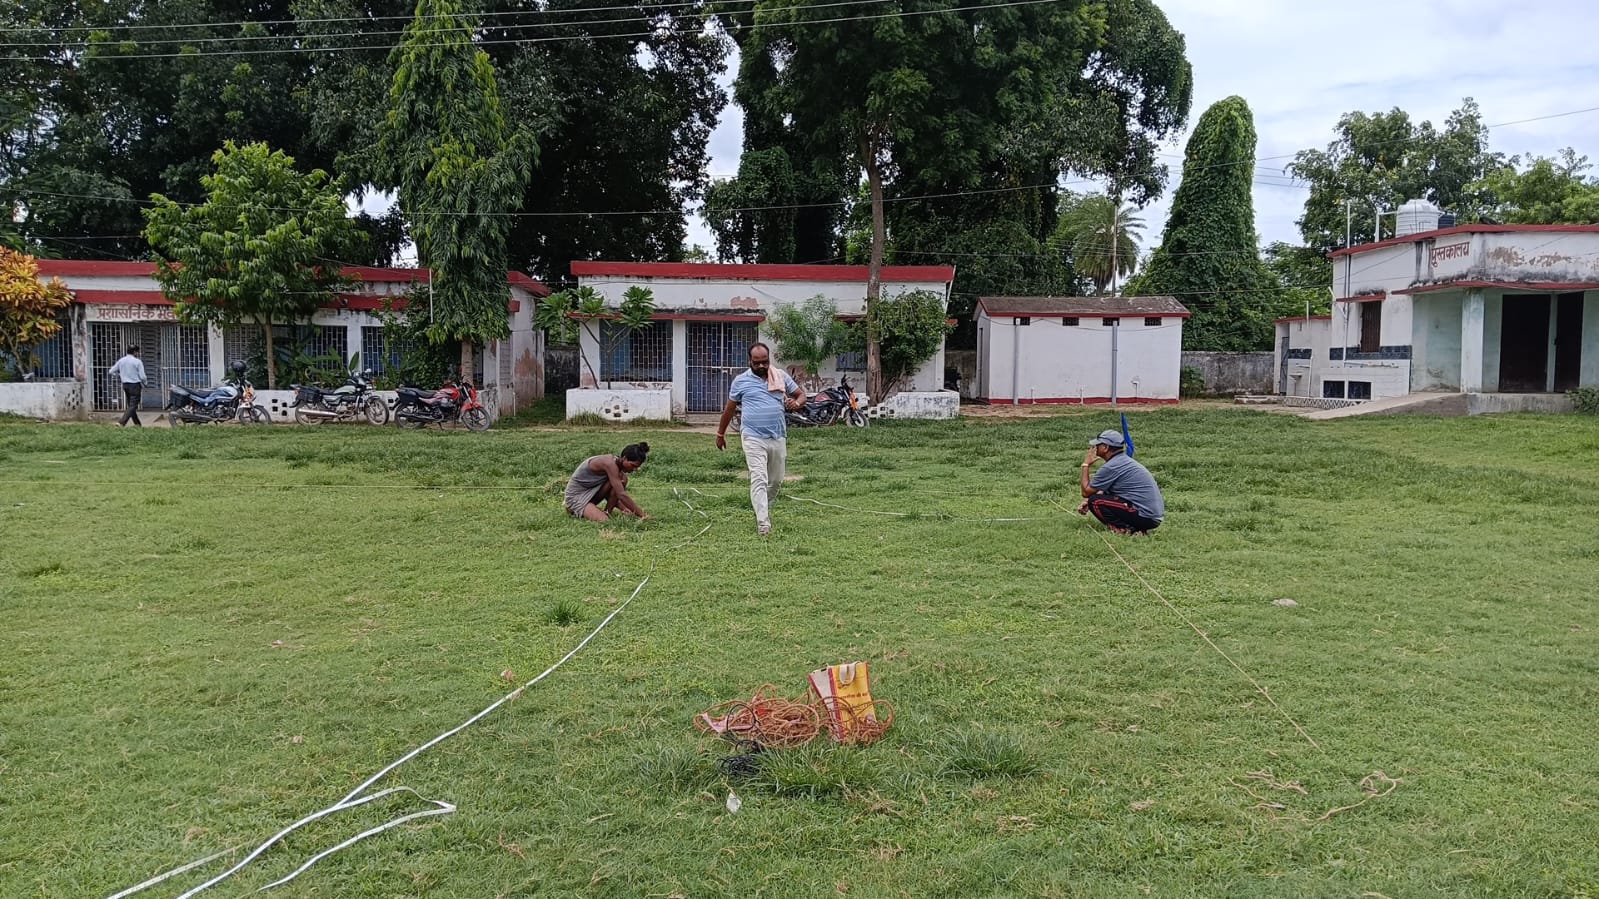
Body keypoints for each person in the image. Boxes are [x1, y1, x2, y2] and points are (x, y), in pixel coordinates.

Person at [716, 342, 806, 536]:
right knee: (759, 478)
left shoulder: (780, 376)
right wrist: (720, 434)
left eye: (764, 362)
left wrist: (795, 403)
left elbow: (801, 395)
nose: (761, 366)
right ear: (749, 361)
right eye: (757, 363)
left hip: (777, 435)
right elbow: (729, 409)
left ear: (769, 359)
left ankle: (763, 505)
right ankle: (763, 523)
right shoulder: (741, 381)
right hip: (752, 436)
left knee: (776, 480)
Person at [1077, 429, 1164, 535]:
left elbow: (1086, 492)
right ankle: (1138, 529)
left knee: (1095, 501)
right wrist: (1087, 502)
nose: (1095, 448)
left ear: (1106, 447)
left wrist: (1086, 465)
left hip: (1145, 516)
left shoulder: (1111, 466)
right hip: (1153, 517)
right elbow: (1109, 491)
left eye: (1097, 445)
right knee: (1096, 499)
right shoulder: (1123, 461)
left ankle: (1124, 530)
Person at [564, 443, 651, 522]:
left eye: (637, 467)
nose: (634, 469)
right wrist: (642, 515)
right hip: (576, 497)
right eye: (633, 465)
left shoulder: (617, 467)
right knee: (604, 520)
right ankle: (573, 508)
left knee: (623, 479)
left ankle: (608, 512)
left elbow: (612, 491)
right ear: (624, 458)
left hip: (591, 494)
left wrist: (624, 508)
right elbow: (621, 494)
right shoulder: (609, 464)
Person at [108, 345, 146, 427]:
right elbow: (143, 376)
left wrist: (119, 375)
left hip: (125, 385)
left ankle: (137, 424)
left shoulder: (121, 360)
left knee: (131, 406)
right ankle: (121, 422)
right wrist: (145, 383)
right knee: (133, 405)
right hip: (135, 385)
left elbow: (111, 371)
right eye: (137, 352)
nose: (138, 353)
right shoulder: (137, 362)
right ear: (135, 352)